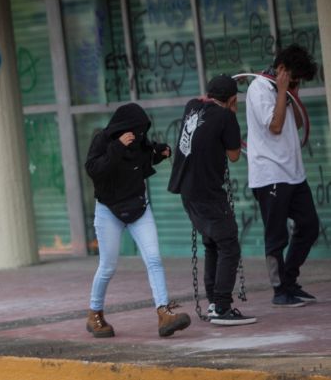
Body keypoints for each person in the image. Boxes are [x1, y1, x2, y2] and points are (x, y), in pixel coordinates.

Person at [84, 102, 191, 338]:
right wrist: (117, 147)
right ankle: (95, 315)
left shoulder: (140, 141)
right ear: (123, 127)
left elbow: (144, 158)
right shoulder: (103, 140)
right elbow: (93, 169)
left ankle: (164, 314)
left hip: (138, 207)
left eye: (142, 131)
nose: (138, 135)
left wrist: (159, 153)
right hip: (108, 210)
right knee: (107, 266)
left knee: (153, 259)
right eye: (135, 130)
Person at [168, 74, 257, 326]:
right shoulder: (227, 116)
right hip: (208, 193)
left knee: (212, 244)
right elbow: (234, 155)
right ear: (231, 99)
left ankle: (213, 303)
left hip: (187, 191)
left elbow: (199, 101)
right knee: (229, 245)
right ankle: (222, 307)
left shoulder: (191, 107)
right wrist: (231, 114)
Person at [245, 43, 319, 307]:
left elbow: (295, 124)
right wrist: (283, 91)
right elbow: (275, 126)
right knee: (276, 236)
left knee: (309, 226)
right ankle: (279, 290)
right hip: (269, 174)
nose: (296, 83)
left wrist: (291, 93)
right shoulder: (259, 89)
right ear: (281, 70)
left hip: (294, 173)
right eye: (294, 78)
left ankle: (290, 278)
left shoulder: (284, 92)